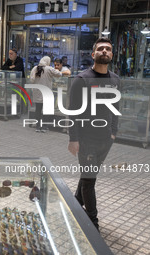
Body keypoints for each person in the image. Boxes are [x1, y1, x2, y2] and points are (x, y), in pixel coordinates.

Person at [67, 37, 120, 231]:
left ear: (112, 54)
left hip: (105, 141)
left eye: (108, 48)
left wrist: (113, 133)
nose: (104, 51)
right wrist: (73, 139)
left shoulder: (115, 79)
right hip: (86, 141)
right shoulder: (81, 80)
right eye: (101, 49)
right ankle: (92, 223)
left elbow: (116, 108)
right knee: (89, 182)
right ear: (93, 54)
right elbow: (73, 111)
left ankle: (73, 205)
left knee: (88, 177)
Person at [30, 56, 62, 132]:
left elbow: (31, 80)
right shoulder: (49, 69)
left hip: (37, 92)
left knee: (38, 110)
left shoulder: (35, 68)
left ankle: (37, 127)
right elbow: (59, 74)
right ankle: (44, 127)